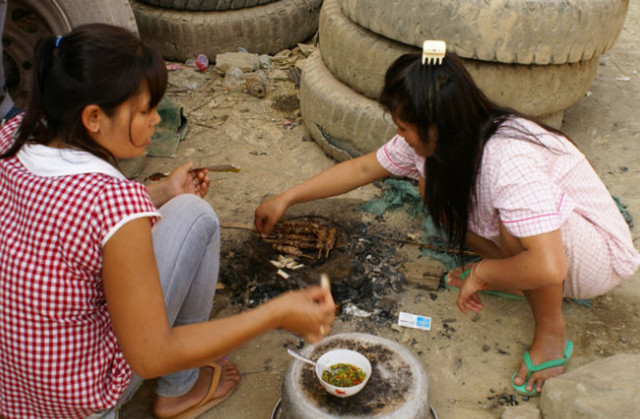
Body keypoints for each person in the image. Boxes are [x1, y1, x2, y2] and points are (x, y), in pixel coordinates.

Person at [255, 42, 640, 396]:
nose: (399, 134)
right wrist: (287, 198)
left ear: (436, 126)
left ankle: (551, 331)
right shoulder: (440, 141)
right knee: (430, 186)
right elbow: (362, 169)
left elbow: (549, 262)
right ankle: (515, 273)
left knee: (523, 238)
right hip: (546, 253)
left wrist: (483, 274)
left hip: (594, 259)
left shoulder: (508, 158)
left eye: (403, 127)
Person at [0, 23, 335, 419]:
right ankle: (177, 391)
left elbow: (72, 222)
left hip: (13, 392)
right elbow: (151, 355)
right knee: (198, 217)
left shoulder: (15, 135)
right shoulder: (111, 203)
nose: (157, 120)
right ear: (93, 117)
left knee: (185, 207)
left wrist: (163, 192)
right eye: (145, 111)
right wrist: (275, 314)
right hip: (75, 405)